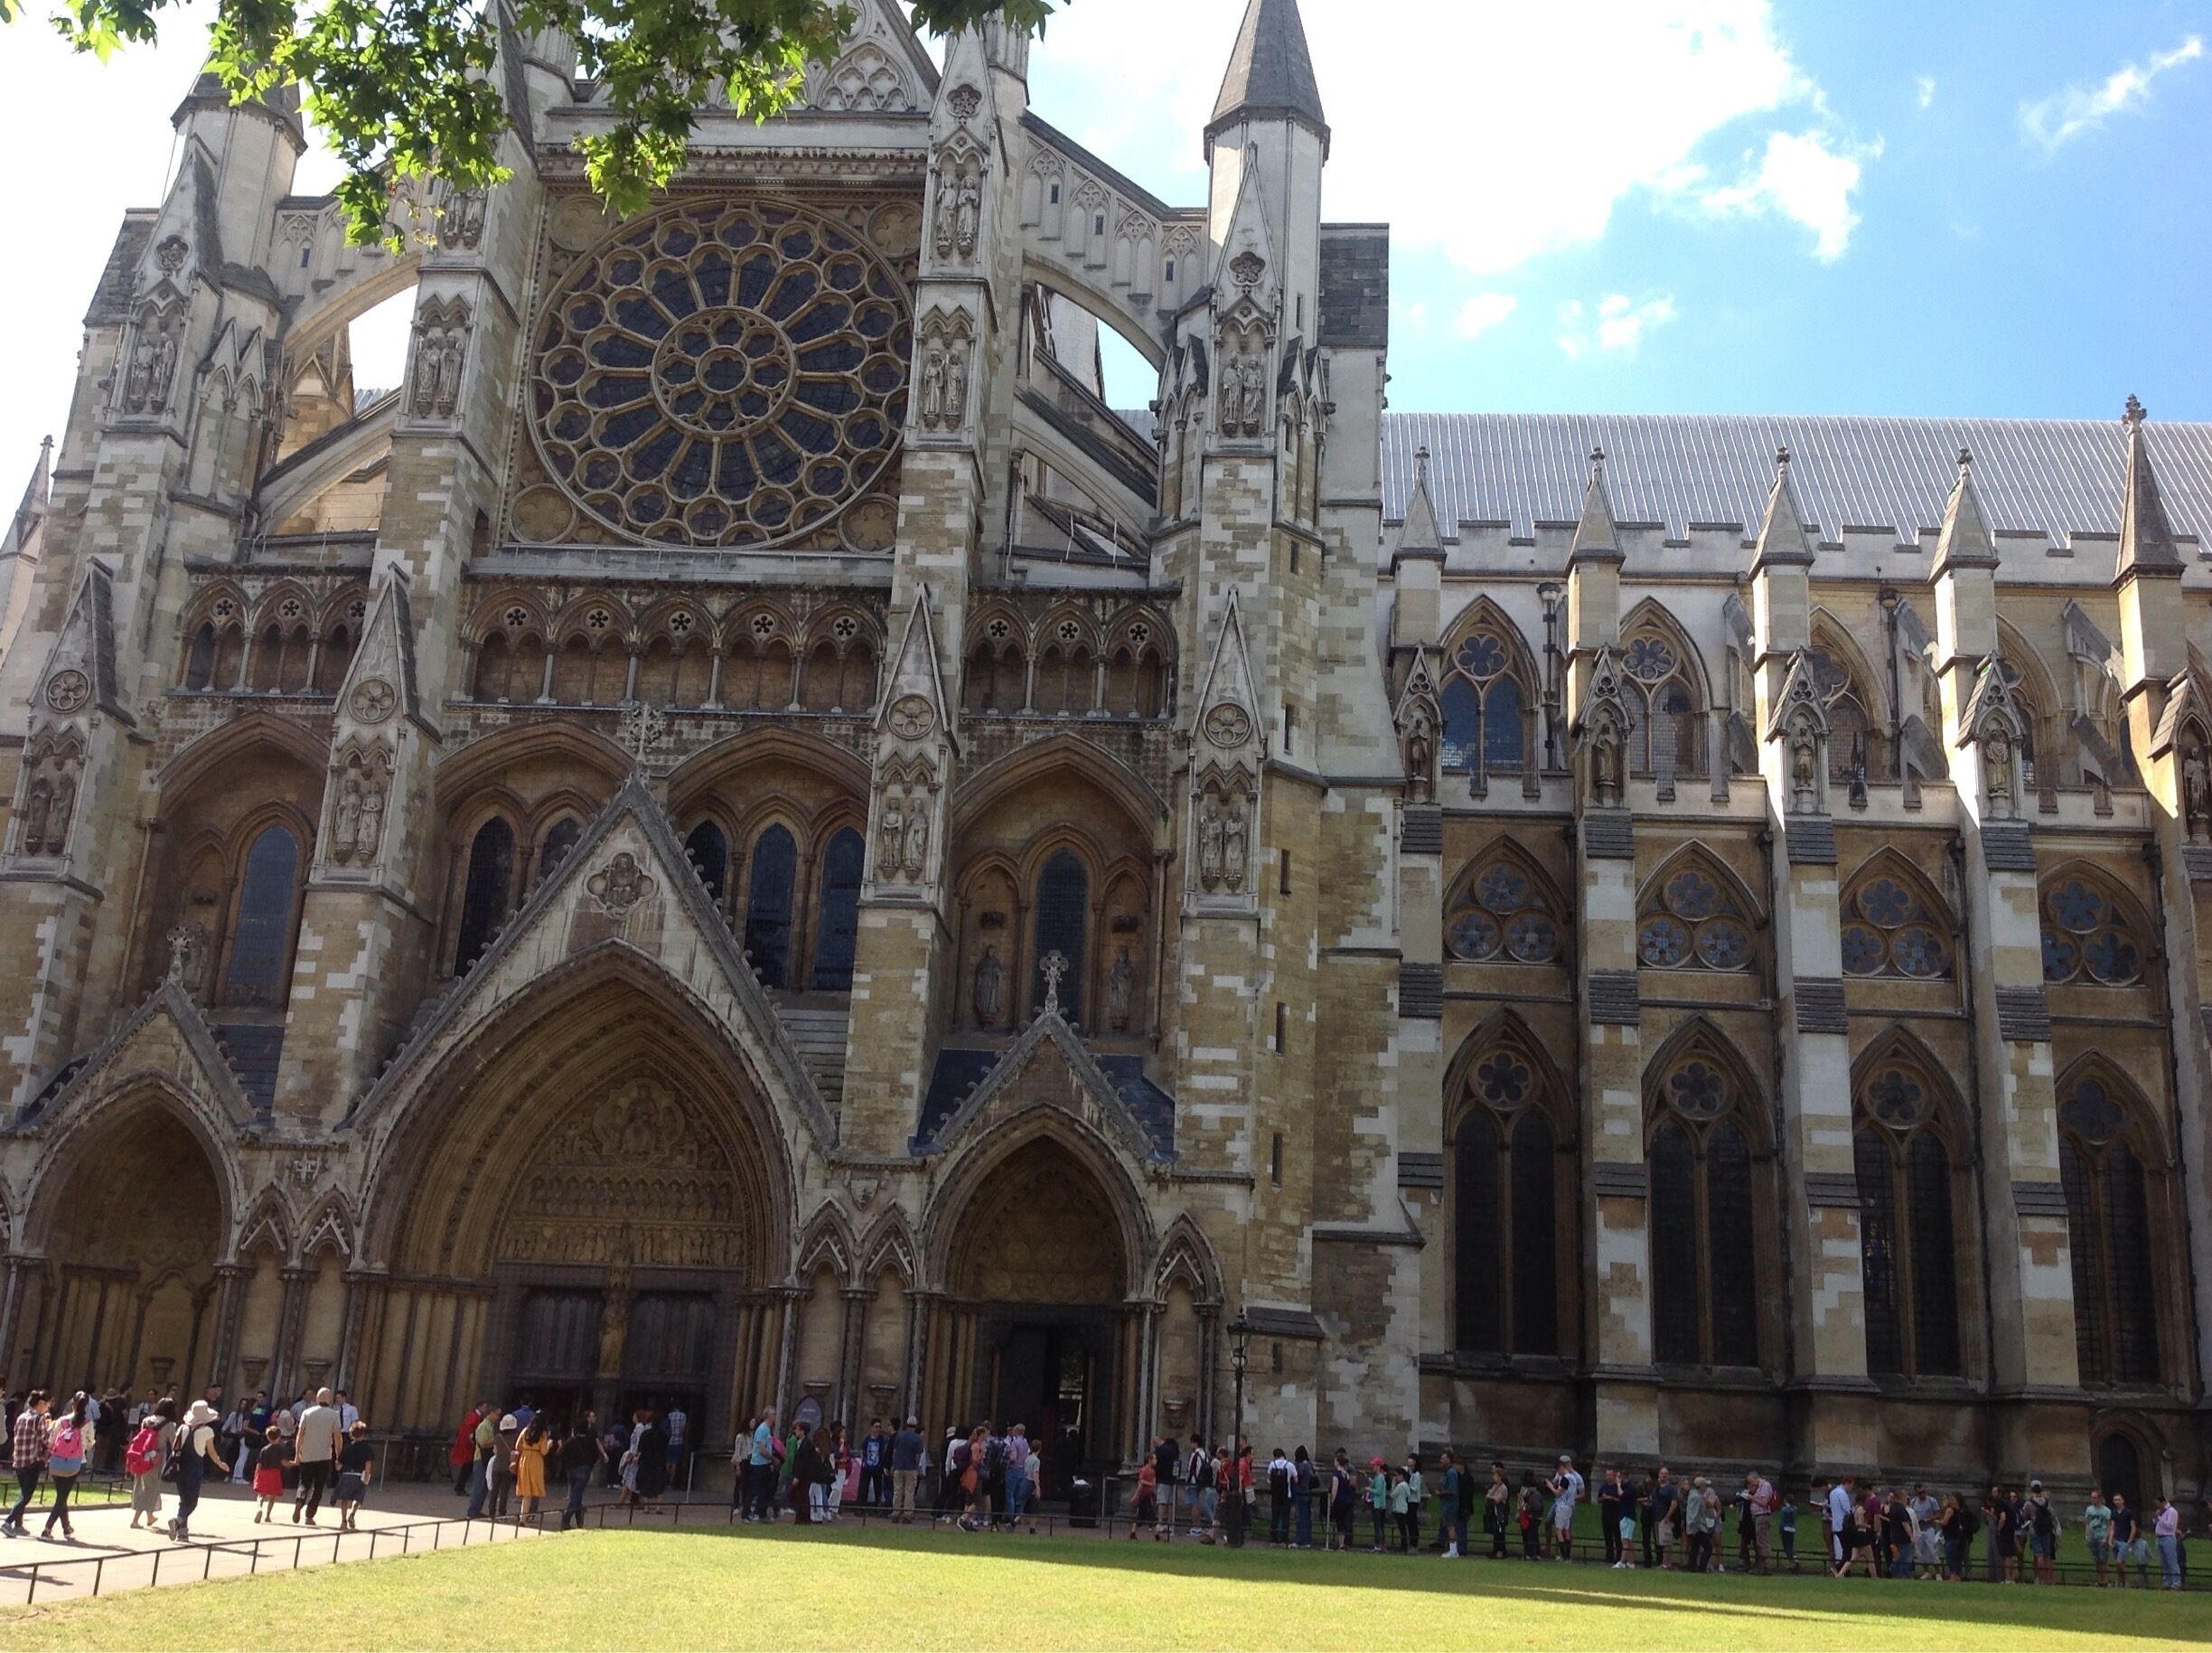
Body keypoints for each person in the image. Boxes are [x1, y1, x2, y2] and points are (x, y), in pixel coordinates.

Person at [169, 1398, 230, 1543]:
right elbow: (211, 1452)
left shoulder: (182, 1428)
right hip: (194, 1467)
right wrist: (220, 1463)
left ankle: (182, 1533)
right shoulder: (207, 1431)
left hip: (180, 1466)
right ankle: (178, 1520)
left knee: (184, 1500)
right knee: (192, 1502)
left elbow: (175, 1447)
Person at [37, 1391, 89, 1541]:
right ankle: (47, 1529)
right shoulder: (87, 1423)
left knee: (62, 1495)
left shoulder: (62, 1421)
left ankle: (66, 1528)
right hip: (75, 1463)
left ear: (72, 1404)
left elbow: (51, 1441)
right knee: (62, 1497)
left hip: (56, 1462)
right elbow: (90, 1443)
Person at [292, 1386, 342, 1526]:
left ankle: (299, 1502)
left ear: (317, 1398)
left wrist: (297, 1454)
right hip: (324, 1455)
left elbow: (300, 1435)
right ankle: (309, 1516)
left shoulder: (307, 1413)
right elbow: (337, 1437)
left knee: (304, 1483)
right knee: (318, 1487)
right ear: (329, 1399)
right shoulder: (334, 1415)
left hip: (307, 1454)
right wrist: (338, 1456)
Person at [126, 1398, 173, 1530]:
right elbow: (174, 1442)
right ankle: (135, 1520)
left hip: (142, 1456)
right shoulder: (169, 1424)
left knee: (142, 1484)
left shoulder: (146, 1421)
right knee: (150, 1487)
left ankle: (150, 1516)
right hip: (156, 1458)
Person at [560, 1414, 603, 1530]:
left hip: (571, 1470)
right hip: (584, 1469)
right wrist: (590, 1465)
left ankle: (579, 1519)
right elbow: (595, 1454)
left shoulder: (571, 1441)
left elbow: (561, 1454)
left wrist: (568, 1464)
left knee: (576, 1494)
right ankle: (567, 1518)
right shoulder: (589, 1442)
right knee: (576, 1494)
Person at [335, 1423, 374, 1531]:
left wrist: (338, 1465)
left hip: (347, 1475)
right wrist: (366, 1477)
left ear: (351, 1434)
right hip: (359, 1475)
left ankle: (343, 1521)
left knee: (344, 1499)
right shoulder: (367, 1448)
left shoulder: (347, 1447)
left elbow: (338, 1465)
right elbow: (368, 1464)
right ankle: (352, 1514)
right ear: (363, 1434)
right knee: (358, 1498)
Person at [744, 1407, 778, 1522]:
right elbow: (762, 1449)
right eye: (773, 1414)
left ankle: (761, 1514)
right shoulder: (762, 1429)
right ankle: (746, 1514)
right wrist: (773, 1458)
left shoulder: (767, 1429)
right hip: (758, 1464)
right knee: (753, 1490)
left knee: (766, 1490)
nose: (775, 1416)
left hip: (765, 1464)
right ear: (768, 1415)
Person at [513, 1416, 550, 1521]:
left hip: (525, 1459)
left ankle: (523, 1517)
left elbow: (517, 1446)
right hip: (536, 1460)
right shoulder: (543, 1434)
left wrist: (526, 1449)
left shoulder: (525, 1431)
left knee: (526, 1491)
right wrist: (549, 1444)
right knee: (534, 1488)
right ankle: (527, 1515)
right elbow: (544, 1451)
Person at [889, 1415, 924, 1525]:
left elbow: (894, 1452)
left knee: (897, 1491)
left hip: (899, 1467)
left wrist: (894, 1465)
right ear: (915, 1426)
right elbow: (917, 1456)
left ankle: (895, 1513)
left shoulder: (899, 1435)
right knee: (909, 1492)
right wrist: (917, 1467)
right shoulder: (917, 1438)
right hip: (911, 1468)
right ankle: (907, 1515)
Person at [464, 1400, 497, 1518]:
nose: (498, 1417)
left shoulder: (490, 1426)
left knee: (484, 1486)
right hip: (480, 1458)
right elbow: (482, 1443)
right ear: (491, 1413)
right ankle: (472, 1511)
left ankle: (477, 1509)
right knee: (479, 1485)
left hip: (486, 1458)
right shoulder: (483, 1426)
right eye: (497, 1414)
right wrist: (496, 1440)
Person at [1550, 1454, 1583, 1562]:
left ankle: (1564, 1555)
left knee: (1559, 1530)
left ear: (1561, 1467)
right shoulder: (1574, 1478)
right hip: (1570, 1506)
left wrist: (1549, 1485)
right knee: (1566, 1530)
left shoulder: (1565, 1479)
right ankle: (1567, 1555)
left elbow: (1557, 1492)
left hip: (1562, 1505)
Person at [2024, 1479, 2058, 1584]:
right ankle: (2049, 1579)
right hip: (2046, 1530)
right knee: (2047, 1556)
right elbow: (2052, 1514)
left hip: (2035, 1530)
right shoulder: (2046, 1502)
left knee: (2039, 1555)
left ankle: (2041, 1578)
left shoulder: (2029, 1503)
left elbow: (2025, 1515)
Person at [253, 1427, 290, 1521]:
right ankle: (268, 1516)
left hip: (263, 1473)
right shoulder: (282, 1449)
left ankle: (259, 1508)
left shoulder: (264, 1449)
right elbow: (284, 1463)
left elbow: (259, 1464)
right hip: (275, 1473)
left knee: (261, 1495)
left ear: (268, 1437)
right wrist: (294, 1463)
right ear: (279, 1436)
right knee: (272, 1496)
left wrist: (256, 1475)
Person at [1744, 1470, 1776, 1574]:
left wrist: (1751, 1498)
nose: (1751, 1485)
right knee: (1759, 1541)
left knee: (1762, 1541)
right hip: (1758, 1516)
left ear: (1756, 1478)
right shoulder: (1758, 1487)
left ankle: (1766, 1566)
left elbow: (1764, 1503)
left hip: (1763, 1515)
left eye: (1751, 1482)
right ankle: (1762, 1565)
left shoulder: (1765, 1486)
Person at [1006, 1423, 1035, 1530]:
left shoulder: (1014, 1443)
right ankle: (1018, 1517)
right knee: (1018, 1496)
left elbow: (1013, 1457)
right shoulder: (1025, 1443)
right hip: (1022, 1471)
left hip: (1014, 1469)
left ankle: (1011, 1517)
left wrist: (1007, 1460)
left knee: (1010, 1495)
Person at [1329, 1450, 1356, 1552]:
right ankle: (1343, 1543)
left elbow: (1334, 1489)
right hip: (1347, 1499)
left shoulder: (1337, 1475)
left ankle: (1341, 1544)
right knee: (1344, 1522)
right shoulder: (1347, 1474)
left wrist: (1332, 1500)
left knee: (1340, 1522)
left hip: (1339, 1500)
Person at [858, 1418, 889, 1510]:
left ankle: (877, 1507)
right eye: (876, 1427)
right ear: (872, 1427)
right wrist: (863, 1461)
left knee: (878, 1488)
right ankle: (861, 1507)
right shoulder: (868, 1438)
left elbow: (884, 1451)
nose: (878, 1429)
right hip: (867, 1466)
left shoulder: (881, 1439)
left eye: (879, 1427)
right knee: (864, 1487)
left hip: (877, 1467)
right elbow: (862, 1449)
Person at [1682, 1477, 1711, 1573]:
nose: (1706, 1488)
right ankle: (1702, 1567)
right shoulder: (1696, 1497)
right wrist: (1693, 1527)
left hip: (1695, 1527)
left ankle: (1692, 1567)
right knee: (1708, 1547)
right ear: (1701, 1486)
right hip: (1698, 1528)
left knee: (1694, 1548)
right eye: (1705, 1485)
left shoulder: (1694, 1495)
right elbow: (1693, 1514)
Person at [2111, 1492, 2139, 1588]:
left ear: (2123, 1501)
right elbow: (2113, 1526)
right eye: (2115, 1500)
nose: (2117, 1502)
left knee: (2119, 1561)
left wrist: (2129, 1540)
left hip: (2124, 1540)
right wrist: (2110, 1539)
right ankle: (2122, 1580)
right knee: (2119, 1563)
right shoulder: (2114, 1512)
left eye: (2119, 1500)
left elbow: (2133, 1527)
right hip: (2116, 1539)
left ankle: (2123, 1580)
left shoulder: (2128, 1513)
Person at [1267, 1446, 1294, 1546]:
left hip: (1275, 1494)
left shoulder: (1272, 1464)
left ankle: (1273, 1539)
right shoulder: (1290, 1465)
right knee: (1285, 1517)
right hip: (1287, 1494)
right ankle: (1284, 1539)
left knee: (1275, 1516)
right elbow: (1296, 1479)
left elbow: (1269, 1479)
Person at [1437, 1450, 1461, 1558]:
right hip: (1447, 1504)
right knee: (1449, 1527)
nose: (1441, 1460)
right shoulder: (1447, 1472)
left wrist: (1441, 1493)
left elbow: (1452, 1490)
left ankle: (1453, 1551)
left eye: (1443, 1458)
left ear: (1448, 1460)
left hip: (1450, 1504)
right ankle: (1453, 1550)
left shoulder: (1451, 1473)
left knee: (1451, 1527)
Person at [1598, 1467, 1625, 1566]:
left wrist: (1611, 1498)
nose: (1608, 1477)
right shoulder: (1604, 1486)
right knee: (1607, 1536)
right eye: (1607, 1475)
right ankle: (1609, 1557)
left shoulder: (1617, 1487)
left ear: (1614, 1476)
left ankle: (1619, 1557)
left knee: (1617, 1536)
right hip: (1606, 1513)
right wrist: (1603, 1498)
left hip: (1615, 1514)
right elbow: (1599, 1499)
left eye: (1610, 1475)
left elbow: (1621, 1500)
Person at [2153, 1497, 2182, 1589]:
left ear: (2163, 1502)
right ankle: (2166, 1583)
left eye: (2157, 1504)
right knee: (2163, 1562)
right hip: (2159, 1537)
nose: (2156, 1506)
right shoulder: (2160, 1512)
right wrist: (2156, 1518)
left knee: (2171, 1561)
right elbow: (2156, 1523)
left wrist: (2159, 1518)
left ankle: (2176, 1583)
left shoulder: (2172, 1511)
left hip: (2168, 1537)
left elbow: (2170, 1526)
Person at [1129, 1454, 1159, 1539]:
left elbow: (1153, 1482)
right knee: (1150, 1515)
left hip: (1149, 1495)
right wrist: (1136, 1495)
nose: (1156, 1460)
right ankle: (1157, 1536)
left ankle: (1133, 1533)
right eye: (1154, 1459)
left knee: (1141, 1515)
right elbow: (1141, 1481)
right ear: (1149, 1460)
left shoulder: (1152, 1471)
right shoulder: (1144, 1470)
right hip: (1144, 1496)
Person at [1486, 1460, 1511, 1558]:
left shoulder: (1503, 1488)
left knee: (1500, 1531)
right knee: (1496, 1531)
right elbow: (1488, 1495)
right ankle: (1495, 1550)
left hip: (1500, 1512)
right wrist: (1492, 1496)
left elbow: (1497, 1500)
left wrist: (1492, 1497)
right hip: (1495, 1511)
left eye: (1495, 1475)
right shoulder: (1495, 1486)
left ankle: (1500, 1551)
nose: (1493, 1477)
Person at [1367, 1456, 1390, 1553]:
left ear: (1378, 1466)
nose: (1373, 1467)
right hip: (1377, 1504)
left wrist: (1369, 1489)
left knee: (1378, 1526)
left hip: (1378, 1504)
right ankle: (1378, 1545)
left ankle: (1379, 1545)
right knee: (1377, 1526)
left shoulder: (1380, 1477)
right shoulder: (1378, 1477)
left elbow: (1378, 1491)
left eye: (1374, 1465)